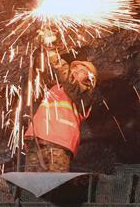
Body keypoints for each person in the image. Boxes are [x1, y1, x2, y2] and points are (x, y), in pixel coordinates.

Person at [23, 31, 97, 172]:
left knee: (54, 182)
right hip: (36, 140)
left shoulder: (84, 94)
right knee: (32, 183)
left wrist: (51, 49)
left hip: (59, 143)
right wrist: (42, 48)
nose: (75, 70)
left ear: (89, 79)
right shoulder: (56, 88)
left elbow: (66, 77)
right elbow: (44, 73)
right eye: (74, 68)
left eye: (81, 70)